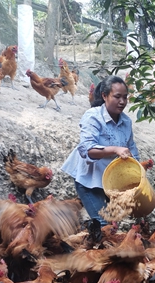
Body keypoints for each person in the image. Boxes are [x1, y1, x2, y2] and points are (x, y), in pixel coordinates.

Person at [61, 75, 140, 224]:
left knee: (112, 223)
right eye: (117, 97)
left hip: (109, 181)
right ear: (104, 96)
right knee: (104, 224)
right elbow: (87, 150)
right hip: (88, 180)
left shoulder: (126, 122)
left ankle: (95, 241)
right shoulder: (93, 117)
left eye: (125, 97)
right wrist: (115, 149)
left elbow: (131, 149)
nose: (122, 102)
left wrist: (138, 170)